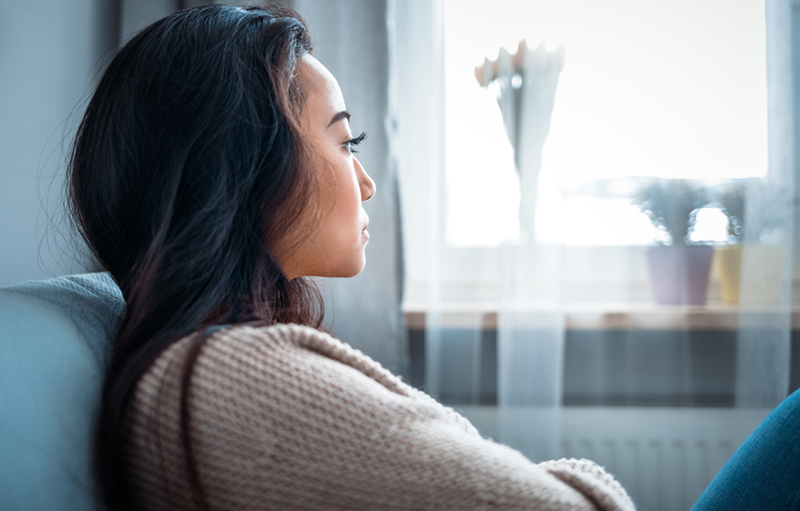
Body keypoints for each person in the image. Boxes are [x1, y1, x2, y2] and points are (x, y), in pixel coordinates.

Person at [67, 5, 636, 510]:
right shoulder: (237, 380)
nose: (365, 184)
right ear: (246, 169)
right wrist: (570, 475)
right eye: (345, 143)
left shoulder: (203, 362)